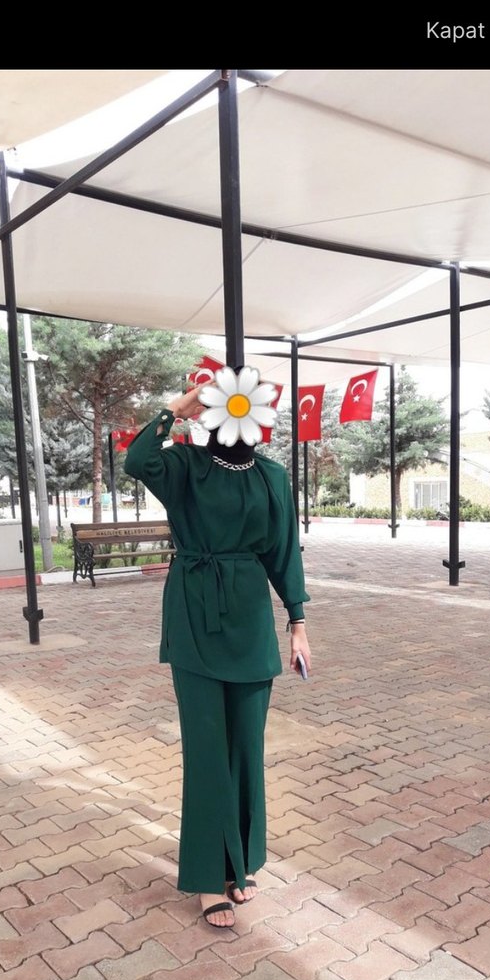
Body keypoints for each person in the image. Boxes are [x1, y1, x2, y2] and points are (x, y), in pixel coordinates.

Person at [124, 372, 311, 929]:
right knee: (207, 750)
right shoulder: (185, 465)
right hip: (195, 615)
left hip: (250, 619)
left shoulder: (273, 477)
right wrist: (173, 409)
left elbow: (284, 553)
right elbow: (137, 460)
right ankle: (209, 876)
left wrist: (298, 622)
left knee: (246, 747)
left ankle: (240, 862)